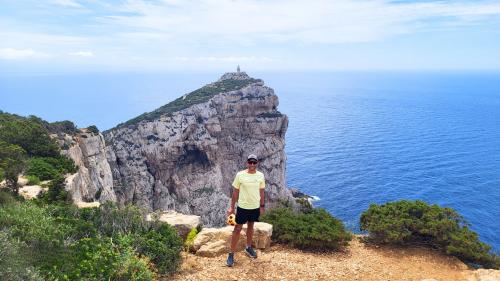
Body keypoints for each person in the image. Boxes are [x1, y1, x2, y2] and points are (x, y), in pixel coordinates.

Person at [226, 154, 266, 267]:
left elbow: (262, 191)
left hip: (255, 206)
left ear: (257, 163)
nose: (252, 165)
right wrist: (232, 207)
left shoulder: (260, 176)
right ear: (247, 163)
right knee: (237, 229)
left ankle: (248, 247)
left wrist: (262, 206)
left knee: (251, 227)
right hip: (243, 207)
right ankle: (231, 254)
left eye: (254, 162)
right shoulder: (240, 175)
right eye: (250, 162)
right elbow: (235, 192)